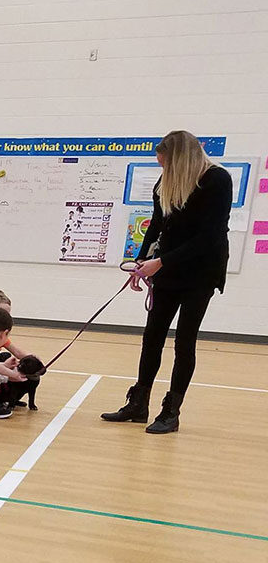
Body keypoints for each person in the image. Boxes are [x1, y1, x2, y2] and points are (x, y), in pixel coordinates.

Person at [101, 130, 232, 434]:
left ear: (180, 160)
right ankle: (139, 403)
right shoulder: (165, 183)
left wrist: (161, 262)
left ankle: (171, 411)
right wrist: (140, 263)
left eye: (165, 164)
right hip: (168, 268)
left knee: (184, 341)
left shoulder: (216, 181)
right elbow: (157, 225)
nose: (162, 170)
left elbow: (209, 237)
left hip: (202, 271)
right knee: (153, 336)